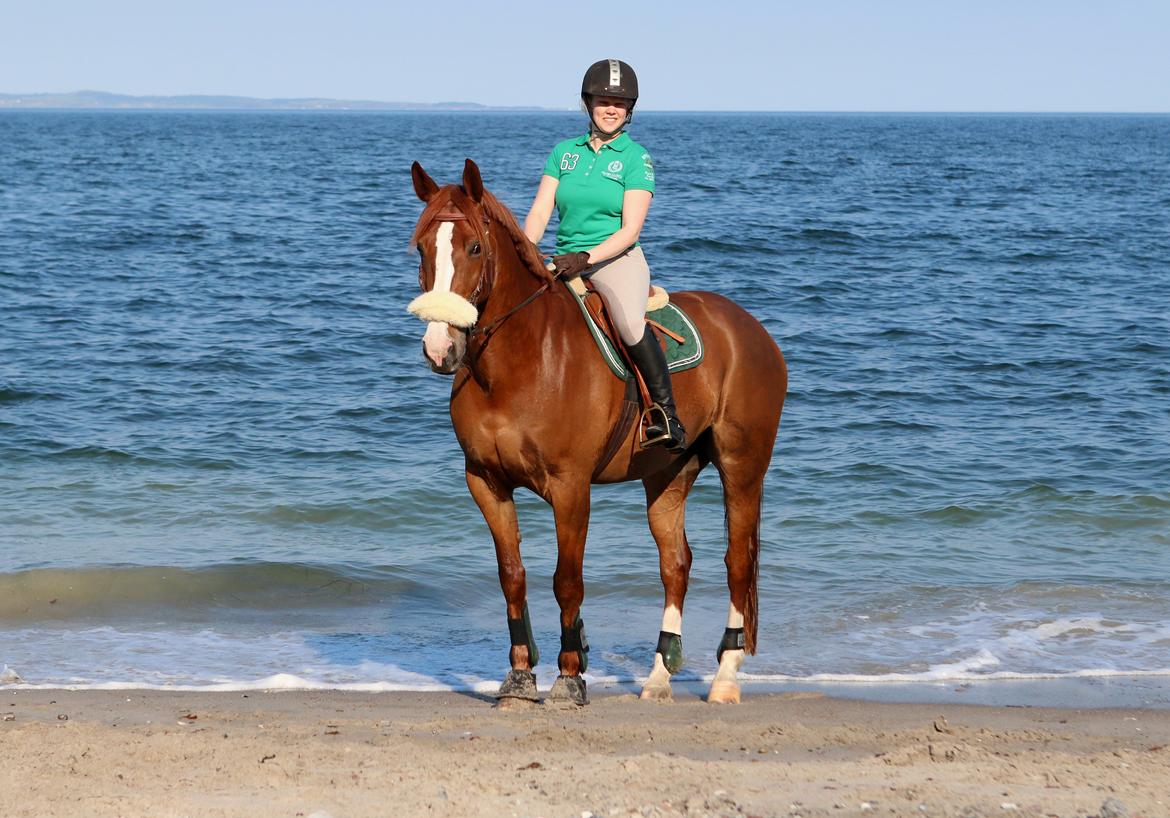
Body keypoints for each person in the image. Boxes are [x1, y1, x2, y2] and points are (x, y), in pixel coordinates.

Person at [523, 58, 686, 452]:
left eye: (620, 103)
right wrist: (526, 250)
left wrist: (586, 257)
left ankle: (666, 414)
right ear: (588, 104)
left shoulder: (636, 158)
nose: (611, 109)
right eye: (603, 101)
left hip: (616, 260)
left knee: (629, 324)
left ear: (629, 110)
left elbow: (630, 230)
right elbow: (541, 210)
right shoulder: (564, 153)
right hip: (563, 260)